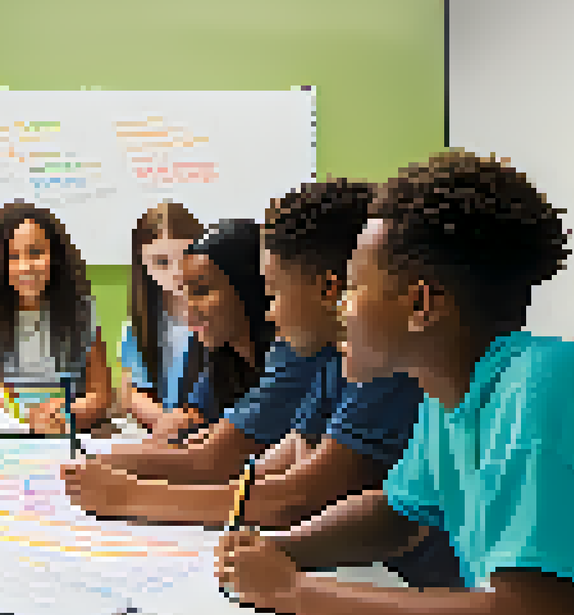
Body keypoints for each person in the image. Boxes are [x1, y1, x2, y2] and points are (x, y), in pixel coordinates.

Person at [218, 150, 574, 615]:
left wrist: (293, 590)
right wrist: (282, 550)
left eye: (353, 287)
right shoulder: (454, 393)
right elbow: (399, 515)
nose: (339, 308)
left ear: (421, 304)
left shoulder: (542, 390)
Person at [63, 181, 454, 590]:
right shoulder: (337, 363)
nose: (270, 313)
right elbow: (283, 471)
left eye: (274, 294)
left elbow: (290, 495)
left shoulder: (393, 373)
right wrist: (282, 551)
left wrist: (129, 496)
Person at [93, 219, 276, 485]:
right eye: (185, 292)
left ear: (249, 289)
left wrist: (106, 462)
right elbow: (184, 422)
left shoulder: (285, 359)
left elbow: (214, 457)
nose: (189, 310)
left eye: (201, 292)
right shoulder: (221, 357)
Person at [0, 200, 111, 434]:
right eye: (13, 257)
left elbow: (100, 395)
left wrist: (69, 412)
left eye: (36, 253)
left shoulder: (82, 310)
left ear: (56, 257)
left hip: (64, 426)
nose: (26, 266)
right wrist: (27, 413)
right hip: (2, 427)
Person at [117, 201, 208, 442]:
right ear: (143, 265)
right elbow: (132, 393)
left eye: (185, 257)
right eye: (161, 262)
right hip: (162, 434)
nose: (176, 271)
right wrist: (165, 421)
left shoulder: (219, 314)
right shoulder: (141, 324)